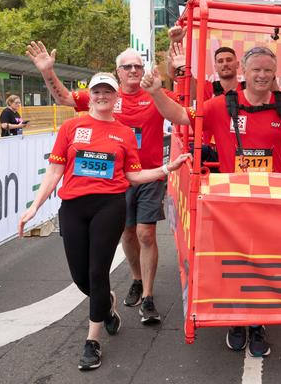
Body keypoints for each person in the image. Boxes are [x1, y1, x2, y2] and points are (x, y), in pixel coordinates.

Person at [141, 45, 281, 357]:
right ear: (244, 73)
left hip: (273, 204)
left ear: (275, 74)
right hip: (231, 205)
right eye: (256, 69)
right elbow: (179, 114)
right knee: (234, 265)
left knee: (265, 266)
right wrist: (156, 92)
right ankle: (235, 319)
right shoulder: (220, 105)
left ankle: (258, 322)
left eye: (267, 70)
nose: (261, 75)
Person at [18, 73, 190, 371]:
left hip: (109, 205)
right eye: (96, 92)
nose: (101, 96)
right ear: (91, 96)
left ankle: (92, 341)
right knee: (81, 276)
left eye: (107, 92)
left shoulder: (123, 133)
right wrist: (34, 207)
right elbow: (55, 172)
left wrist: (165, 168)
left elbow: (133, 176)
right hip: (73, 207)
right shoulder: (72, 127)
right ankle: (106, 305)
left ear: (115, 97)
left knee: (98, 271)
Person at [26, 41, 176, 324]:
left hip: (147, 175)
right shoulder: (105, 96)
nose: (134, 70)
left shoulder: (155, 94)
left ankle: (148, 296)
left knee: (146, 234)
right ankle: (135, 278)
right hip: (115, 182)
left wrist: (175, 61)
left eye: (138, 66)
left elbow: (181, 108)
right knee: (128, 234)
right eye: (127, 66)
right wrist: (48, 72)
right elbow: (65, 99)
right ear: (118, 72)